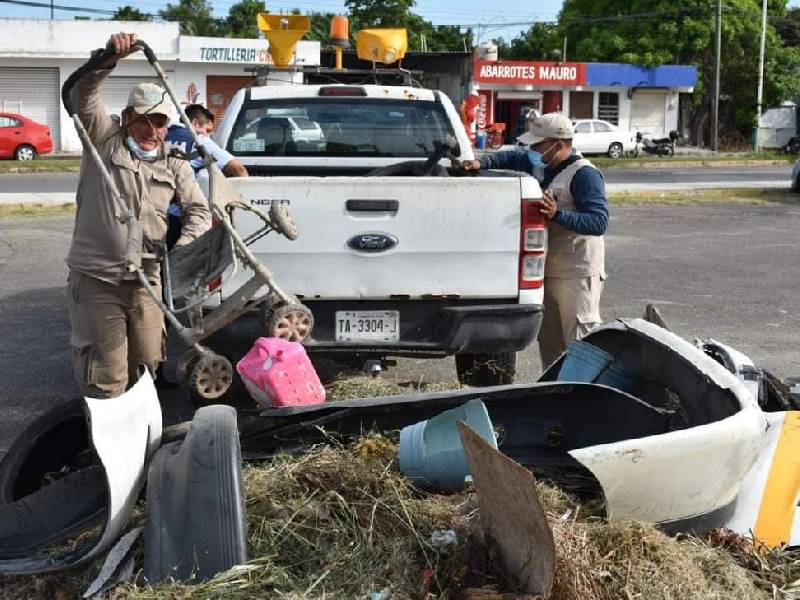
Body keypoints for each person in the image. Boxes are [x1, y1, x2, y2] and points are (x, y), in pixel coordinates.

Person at [65, 32, 211, 398]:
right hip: (99, 279)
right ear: (127, 117)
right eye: (144, 121)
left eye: (160, 122)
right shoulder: (103, 139)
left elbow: (198, 210)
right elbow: (83, 95)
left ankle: (145, 448)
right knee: (108, 377)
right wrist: (109, 58)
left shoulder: (174, 162)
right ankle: (102, 451)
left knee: (147, 368)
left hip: (147, 280)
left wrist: (186, 249)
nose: (152, 130)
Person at [463, 112, 609, 368]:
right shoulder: (543, 165)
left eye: (538, 145)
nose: (532, 150)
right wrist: (481, 164)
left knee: (579, 343)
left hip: (577, 273)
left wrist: (558, 214)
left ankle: (583, 397)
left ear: (559, 144)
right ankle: (553, 396)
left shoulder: (585, 175)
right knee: (550, 344)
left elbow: (598, 222)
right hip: (547, 271)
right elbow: (513, 156)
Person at [164, 104, 248, 248]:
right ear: (195, 123)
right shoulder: (198, 141)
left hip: (155, 214)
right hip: (181, 216)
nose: (208, 135)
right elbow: (238, 170)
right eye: (207, 130)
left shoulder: (161, 135)